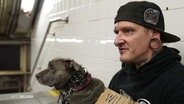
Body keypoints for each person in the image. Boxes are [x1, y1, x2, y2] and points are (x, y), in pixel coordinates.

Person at [108, 1, 184, 104]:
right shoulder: (119, 78)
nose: (117, 41)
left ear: (154, 35)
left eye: (128, 31)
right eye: (117, 32)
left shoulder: (178, 83)